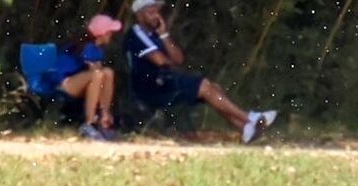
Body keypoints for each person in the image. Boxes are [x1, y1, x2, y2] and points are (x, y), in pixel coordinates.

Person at [125, 0, 278, 143]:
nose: (156, 16)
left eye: (157, 12)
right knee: (205, 86)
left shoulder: (155, 34)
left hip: (164, 82)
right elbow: (162, 61)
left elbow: (178, 59)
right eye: (151, 13)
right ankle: (250, 118)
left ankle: (245, 128)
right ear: (139, 16)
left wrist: (164, 35)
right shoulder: (137, 35)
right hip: (151, 88)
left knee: (214, 88)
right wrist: (171, 64)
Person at [53, 14, 122, 140]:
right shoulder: (87, 47)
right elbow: (95, 73)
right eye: (109, 32)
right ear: (101, 33)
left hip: (82, 81)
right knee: (98, 74)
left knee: (108, 72)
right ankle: (90, 122)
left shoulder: (97, 49)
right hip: (65, 83)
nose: (111, 35)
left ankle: (104, 118)